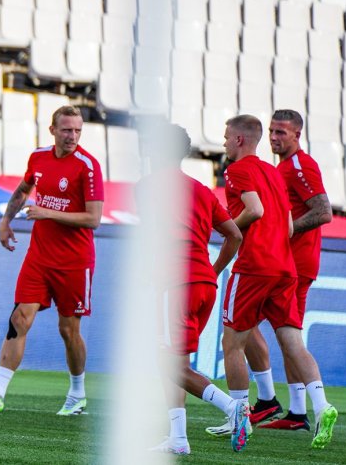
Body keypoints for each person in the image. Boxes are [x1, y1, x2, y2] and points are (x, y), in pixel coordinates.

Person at [214, 115, 337, 449]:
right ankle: (321, 405)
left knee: (231, 343)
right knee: (293, 342)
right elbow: (285, 221)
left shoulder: (238, 170)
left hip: (254, 266)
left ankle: (238, 417)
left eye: (226, 137)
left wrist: (225, 226)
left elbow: (254, 210)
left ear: (239, 140)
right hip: (285, 267)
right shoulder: (272, 170)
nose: (223, 143)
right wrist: (277, 245)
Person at [0, 105, 103, 416]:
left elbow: (94, 218)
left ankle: (77, 394)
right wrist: (6, 221)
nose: (72, 136)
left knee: (68, 329)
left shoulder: (88, 166)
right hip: (39, 257)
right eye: (66, 130)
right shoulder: (38, 158)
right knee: (19, 318)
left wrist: (47, 213)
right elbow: (23, 190)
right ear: (52, 131)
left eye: (77, 130)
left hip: (75, 261)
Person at [141, 124, 250, 455]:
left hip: (174, 283)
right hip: (203, 283)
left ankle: (234, 408)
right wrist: (214, 270)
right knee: (175, 362)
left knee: (168, 362)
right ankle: (178, 438)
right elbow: (235, 234)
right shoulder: (203, 191)